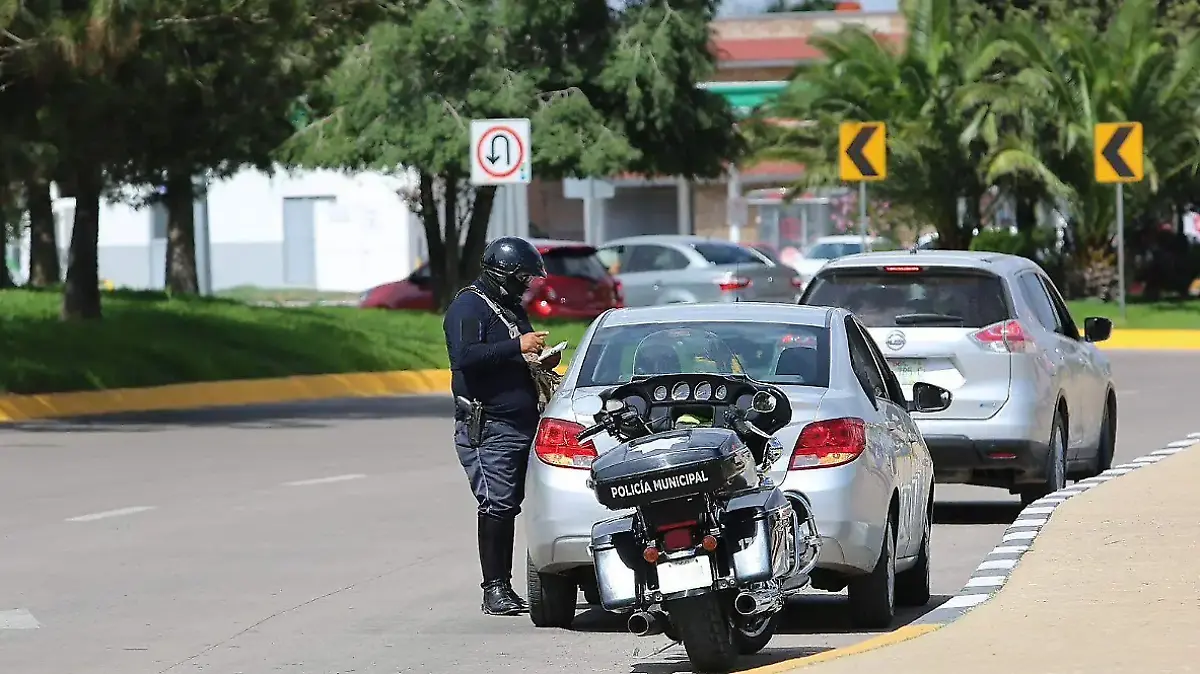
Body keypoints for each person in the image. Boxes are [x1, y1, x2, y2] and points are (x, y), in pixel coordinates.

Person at [443, 237, 563, 616]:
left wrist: (539, 359)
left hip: (524, 422)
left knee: (520, 502)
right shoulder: (468, 306)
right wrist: (517, 347)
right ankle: (495, 589)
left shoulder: (507, 307)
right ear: (503, 273)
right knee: (498, 505)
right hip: (489, 426)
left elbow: (514, 355)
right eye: (522, 277)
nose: (526, 285)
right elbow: (465, 357)